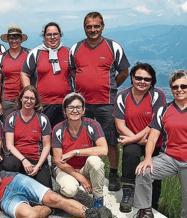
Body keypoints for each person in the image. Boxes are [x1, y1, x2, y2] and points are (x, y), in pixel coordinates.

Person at [0, 135, 108, 218]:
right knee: (30, 216)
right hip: (3, 201)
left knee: (56, 198)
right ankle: (49, 208)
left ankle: (92, 214)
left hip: (13, 181)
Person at [69, 11, 130, 191]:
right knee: (82, 138)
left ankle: (112, 173)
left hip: (106, 102)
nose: (93, 29)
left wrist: (111, 87)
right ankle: (83, 171)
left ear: (102, 26)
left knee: (110, 140)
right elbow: (72, 71)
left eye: (96, 26)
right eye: (89, 26)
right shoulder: (76, 48)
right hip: (82, 103)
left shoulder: (113, 47)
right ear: (84, 28)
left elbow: (124, 71)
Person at [113, 63, 166, 213]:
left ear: (152, 81)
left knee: (153, 169)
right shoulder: (122, 96)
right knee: (130, 154)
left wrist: (135, 138)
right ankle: (128, 192)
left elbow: (155, 123)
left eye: (147, 79)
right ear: (131, 78)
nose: (142, 82)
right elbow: (120, 125)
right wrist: (136, 139)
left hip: (154, 139)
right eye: (138, 78)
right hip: (134, 139)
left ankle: (152, 203)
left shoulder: (158, 95)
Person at [134, 70, 187, 218]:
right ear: (171, 89)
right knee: (143, 172)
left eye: (184, 86)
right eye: (175, 87)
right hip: (169, 158)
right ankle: (145, 211)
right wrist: (148, 158)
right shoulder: (163, 110)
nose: (179, 90)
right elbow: (152, 137)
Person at [52, 92, 108, 208]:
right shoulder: (58, 129)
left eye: (78, 107)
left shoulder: (92, 125)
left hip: (84, 167)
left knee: (95, 161)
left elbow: (104, 150)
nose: (75, 111)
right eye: (71, 107)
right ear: (65, 111)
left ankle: (98, 199)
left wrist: (75, 152)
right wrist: (81, 178)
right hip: (65, 169)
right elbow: (58, 161)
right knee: (69, 190)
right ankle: (62, 197)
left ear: (83, 110)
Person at [0, 85, 52, 187]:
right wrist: (24, 160)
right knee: (9, 164)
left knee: (44, 188)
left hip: (36, 159)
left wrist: (38, 166)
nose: (29, 101)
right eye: (26, 97)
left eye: (32, 98)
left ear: (36, 101)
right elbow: (9, 145)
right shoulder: (12, 117)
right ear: (21, 98)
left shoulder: (42, 119)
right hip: (18, 159)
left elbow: (47, 146)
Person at [22, 22, 71, 127]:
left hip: (65, 103)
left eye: (55, 34)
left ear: (60, 35)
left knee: (62, 136)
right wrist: (30, 94)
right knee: (43, 135)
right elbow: (24, 73)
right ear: (44, 36)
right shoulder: (36, 53)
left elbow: (75, 75)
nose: (52, 37)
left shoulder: (68, 52)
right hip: (43, 104)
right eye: (49, 35)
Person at [0, 26, 29, 119]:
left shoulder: (29, 55)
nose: (14, 41)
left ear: (21, 39)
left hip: (26, 99)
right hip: (7, 100)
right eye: (11, 38)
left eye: (16, 37)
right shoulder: (1, 58)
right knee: (8, 128)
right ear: (7, 40)